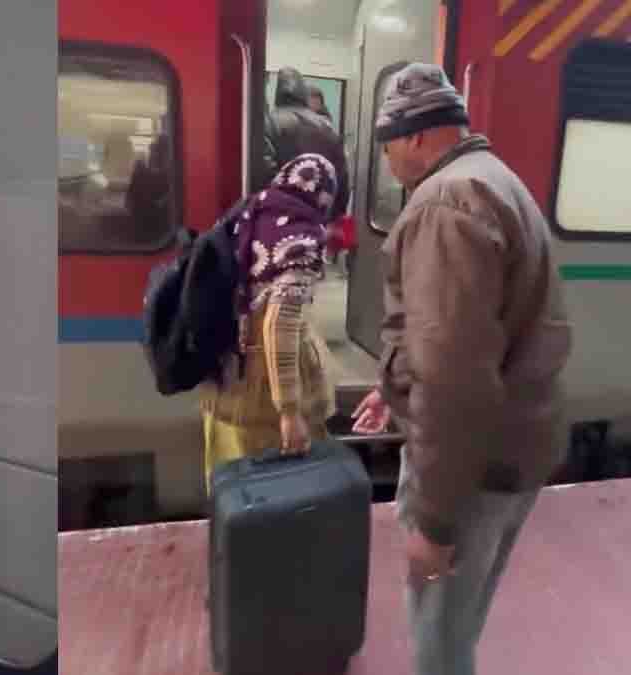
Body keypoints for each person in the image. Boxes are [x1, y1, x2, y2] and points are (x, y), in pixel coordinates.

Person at [351, 63, 571, 675]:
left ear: (417, 136)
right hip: (514, 449)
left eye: (387, 142)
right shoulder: (497, 180)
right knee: (458, 623)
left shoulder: (445, 204)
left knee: (439, 640)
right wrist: (390, 386)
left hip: (469, 475)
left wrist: (435, 520)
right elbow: (469, 336)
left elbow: (455, 381)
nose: (387, 158)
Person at [198, 153, 337, 488]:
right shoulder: (301, 239)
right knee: (273, 499)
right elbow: (279, 324)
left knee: (229, 489)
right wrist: (289, 411)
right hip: (261, 402)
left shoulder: (245, 215)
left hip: (225, 382)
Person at [263, 67, 350, 220]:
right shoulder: (327, 127)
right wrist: (334, 217)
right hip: (317, 219)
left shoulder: (269, 122)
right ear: (302, 94)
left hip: (279, 220)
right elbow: (341, 181)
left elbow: (263, 174)